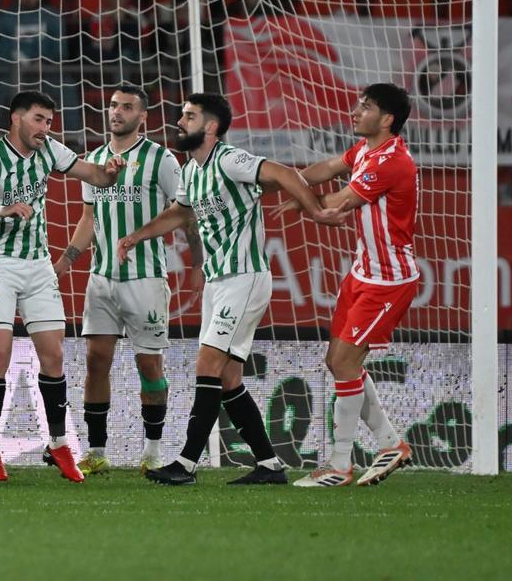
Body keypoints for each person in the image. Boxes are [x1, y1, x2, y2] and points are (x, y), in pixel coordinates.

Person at [117, 93, 346, 486]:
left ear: (210, 127)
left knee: (207, 365)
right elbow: (179, 212)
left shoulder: (228, 159)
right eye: (182, 114)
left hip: (244, 278)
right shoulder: (191, 170)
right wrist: (137, 236)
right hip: (218, 281)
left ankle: (186, 464)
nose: (180, 121)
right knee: (228, 380)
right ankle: (270, 465)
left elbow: (284, 174)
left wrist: (316, 211)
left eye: (189, 116)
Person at [0, 91, 125, 483]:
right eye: (39, 119)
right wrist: (0, 209)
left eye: (49, 121)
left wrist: (109, 172)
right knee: (1, 351)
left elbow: (93, 176)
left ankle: (58, 444)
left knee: (54, 354)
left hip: (39, 264)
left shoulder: (50, 151)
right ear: (17, 119)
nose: (46, 128)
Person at [53, 86, 200, 476]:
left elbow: (187, 214)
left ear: (142, 117)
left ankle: (152, 450)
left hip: (145, 279)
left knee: (149, 366)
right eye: (114, 105)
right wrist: (67, 260)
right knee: (95, 360)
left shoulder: (162, 160)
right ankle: (97, 451)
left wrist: (198, 265)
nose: (117, 112)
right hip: (101, 279)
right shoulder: (96, 160)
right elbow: (89, 218)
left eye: (127, 107)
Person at [282, 85, 419, 487]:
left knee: (344, 363)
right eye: (359, 103)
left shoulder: (392, 161)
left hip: (388, 280)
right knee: (339, 363)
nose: (356, 111)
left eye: (367, 106)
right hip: (362, 272)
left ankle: (340, 466)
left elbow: (336, 205)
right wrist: (278, 181)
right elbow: (324, 169)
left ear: (388, 119)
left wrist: (304, 201)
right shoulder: (364, 152)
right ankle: (391, 444)